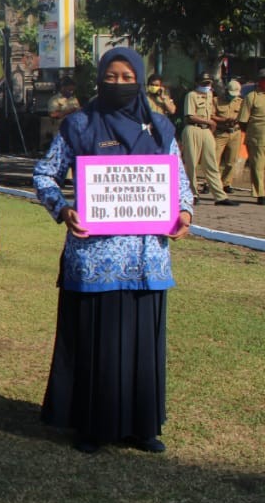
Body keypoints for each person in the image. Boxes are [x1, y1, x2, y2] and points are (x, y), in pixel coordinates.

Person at [33, 47, 193, 454]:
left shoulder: (160, 129)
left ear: (139, 79)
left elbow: (179, 183)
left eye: (127, 77)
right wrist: (63, 209)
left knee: (142, 344)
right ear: (100, 78)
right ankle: (91, 424)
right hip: (94, 259)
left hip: (145, 259)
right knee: (95, 343)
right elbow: (44, 174)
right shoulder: (79, 125)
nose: (119, 84)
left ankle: (143, 426)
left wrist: (184, 213)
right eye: (112, 76)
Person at [180, 72, 231, 205]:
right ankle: (192, 194)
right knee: (191, 163)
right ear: (197, 83)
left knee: (212, 163)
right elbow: (190, 116)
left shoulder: (209, 95)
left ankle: (220, 196)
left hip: (206, 130)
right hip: (193, 129)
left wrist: (212, 124)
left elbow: (211, 114)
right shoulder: (191, 95)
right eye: (204, 83)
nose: (206, 85)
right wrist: (209, 122)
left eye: (208, 83)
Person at [239, 67, 265, 205]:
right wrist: (251, 132)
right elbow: (243, 120)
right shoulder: (252, 97)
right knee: (258, 166)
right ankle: (261, 194)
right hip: (257, 138)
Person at [213, 80, 244, 192]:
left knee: (231, 160)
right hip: (220, 132)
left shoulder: (241, 102)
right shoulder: (216, 101)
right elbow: (211, 115)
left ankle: (226, 183)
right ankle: (212, 183)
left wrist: (237, 121)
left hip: (235, 132)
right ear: (226, 91)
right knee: (214, 159)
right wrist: (224, 120)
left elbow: (244, 116)